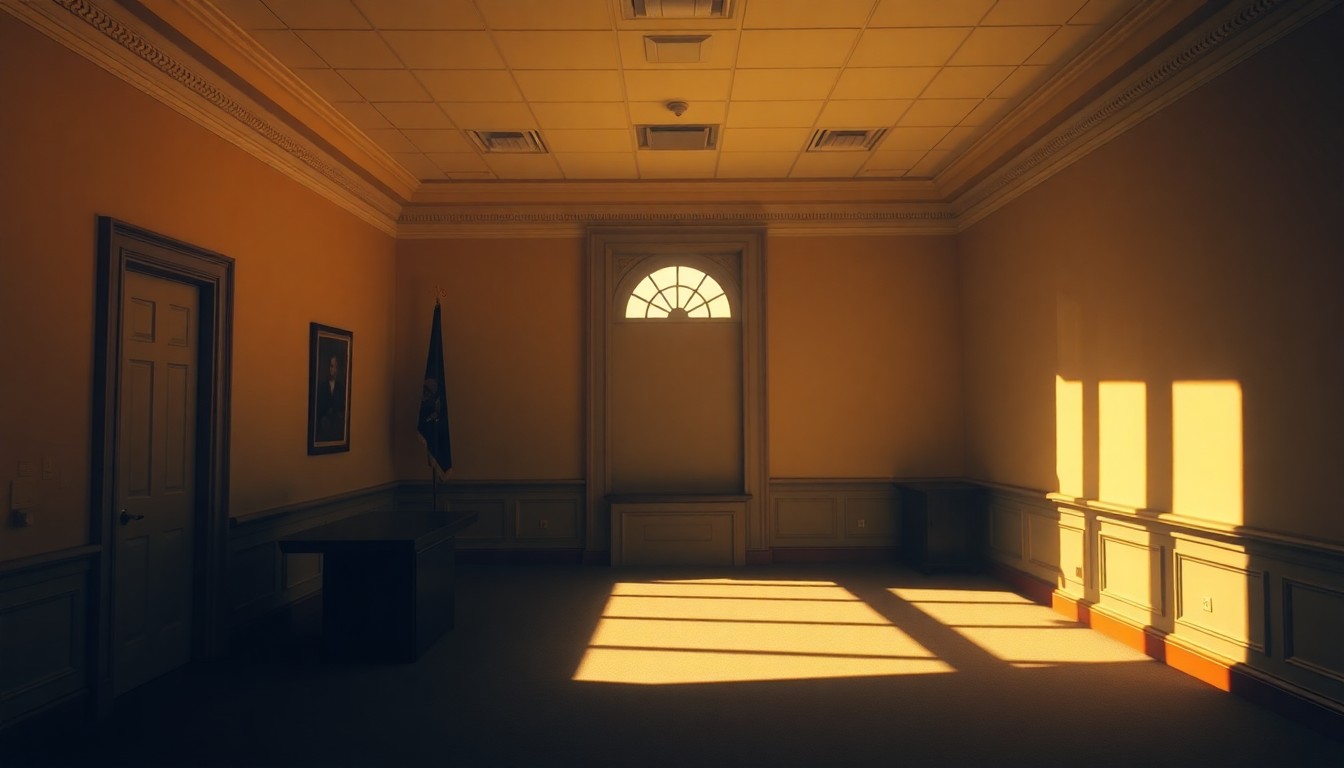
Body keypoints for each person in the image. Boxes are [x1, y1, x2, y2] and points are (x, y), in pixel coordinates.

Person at [315, 352, 345, 443]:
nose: (330, 369)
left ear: (337, 368)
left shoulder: (341, 387)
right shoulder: (322, 386)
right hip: (324, 428)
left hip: (336, 428)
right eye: (329, 366)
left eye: (332, 366)